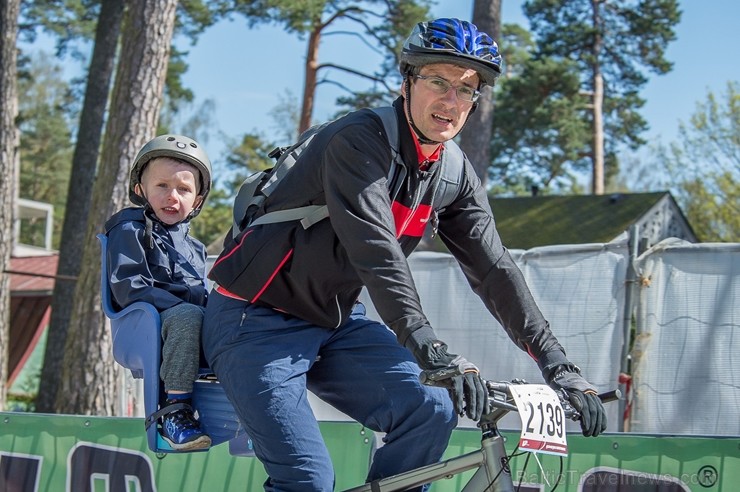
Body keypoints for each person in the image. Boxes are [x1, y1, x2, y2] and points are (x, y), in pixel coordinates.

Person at [203, 18, 607, 491]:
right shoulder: (358, 141)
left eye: (467, 89)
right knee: (307, 479)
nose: (451, 101)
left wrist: (559, 366)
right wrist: (430, 349)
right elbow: (377, 252)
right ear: (406, 81)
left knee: (430, 410)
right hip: (255, 320)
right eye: (438, 81)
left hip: (333, 323)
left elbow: (496, 270)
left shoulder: (452, 171)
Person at [104, 134, 213, 451]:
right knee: (188, 316)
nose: (172, 196)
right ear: (141, 190)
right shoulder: (130, 228)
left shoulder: (195, 248)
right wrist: (187, 308)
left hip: (187, 326)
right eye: (162, 186)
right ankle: (174, 413)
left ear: (198, 199)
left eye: (184, 189)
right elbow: (127, 286)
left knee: (241, 324)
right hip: (142, 325)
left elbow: (201, 295)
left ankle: (245, 414)